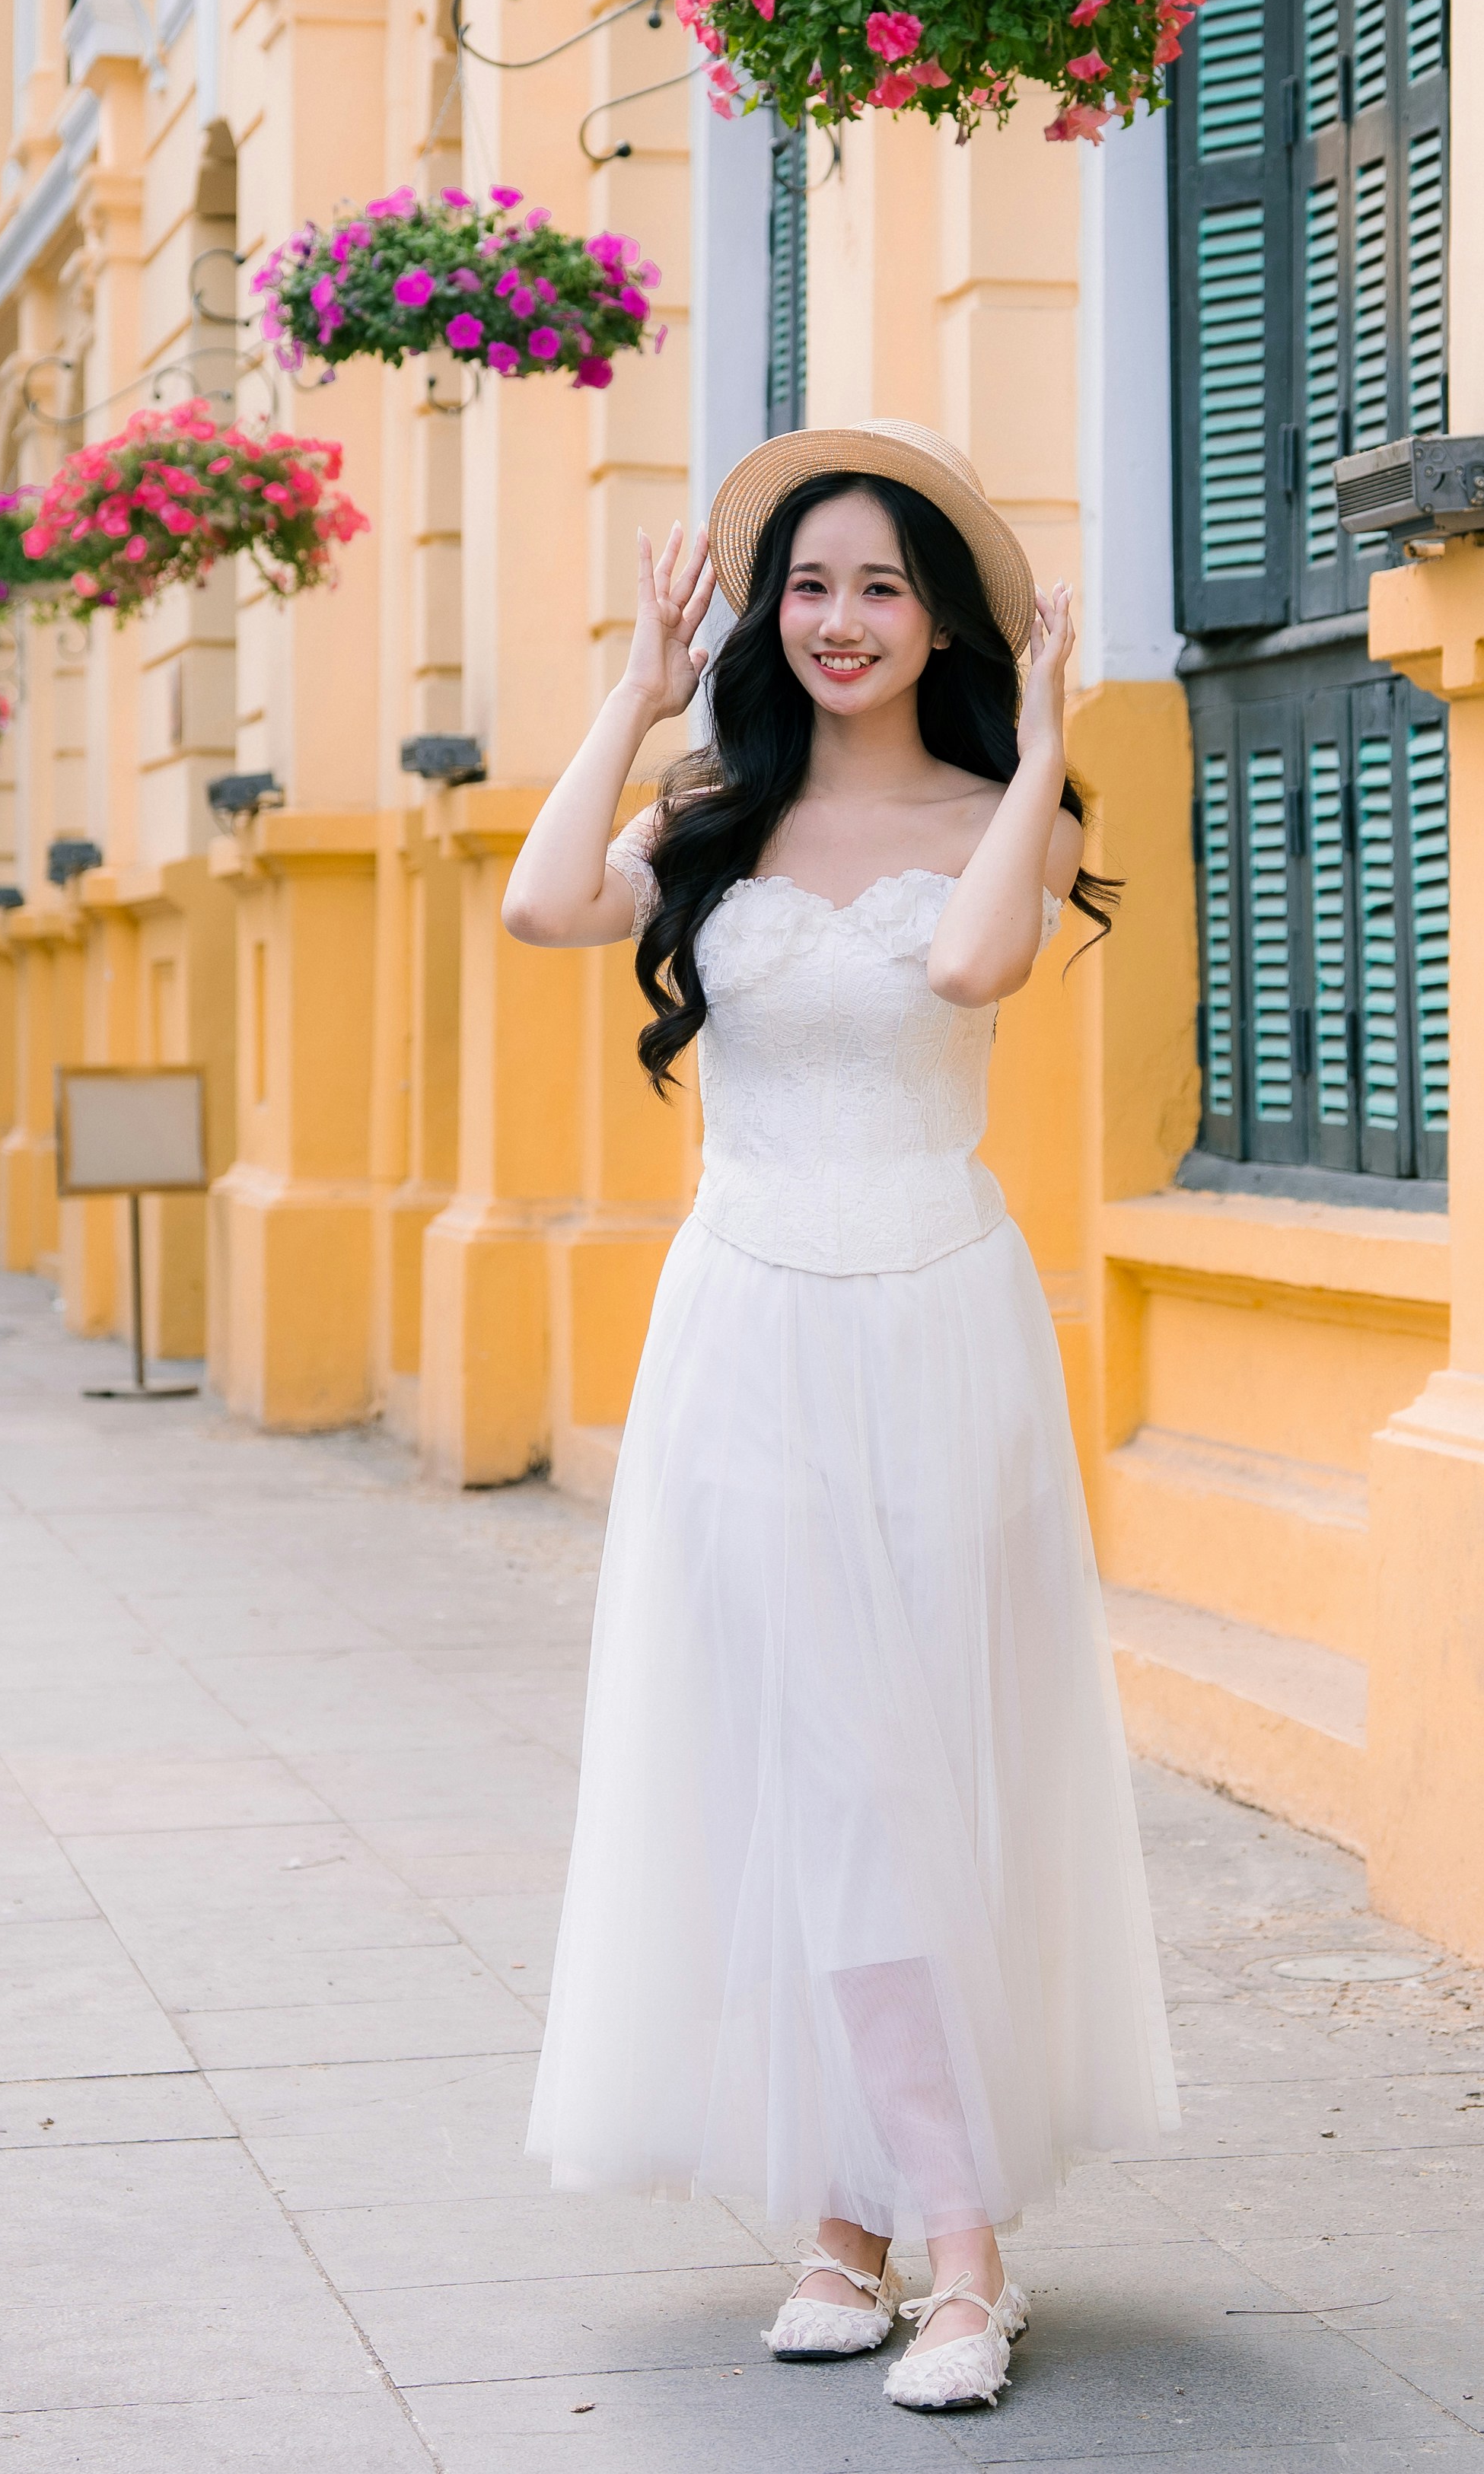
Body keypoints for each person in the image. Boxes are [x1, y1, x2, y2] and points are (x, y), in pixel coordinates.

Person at [500, 422, 1172, 2414]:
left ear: (942, 619)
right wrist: (635, 698)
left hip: (935, 1327)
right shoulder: (714, 817)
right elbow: (542, 902)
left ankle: (937, 2248)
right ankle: (871, 2228)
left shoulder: (1002, 811)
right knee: (803, 1762)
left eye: (881, 586)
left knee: (907, 1764)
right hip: (746, 1325)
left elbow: (970, 961)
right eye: (807, 585)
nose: (840, 619)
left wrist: (1038, 744)